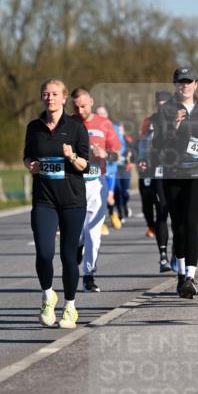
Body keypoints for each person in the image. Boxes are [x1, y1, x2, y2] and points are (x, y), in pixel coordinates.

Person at [24, 79, 89, 329]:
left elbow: (86, 164)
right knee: (44, 252)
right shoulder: (34, 127)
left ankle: (70, 306)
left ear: (64, 98)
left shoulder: (76, 127)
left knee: (68, 255)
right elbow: (28, 156)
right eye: (45, 94)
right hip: (44, 199)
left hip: (72, 199)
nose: (49, 98)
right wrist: (30, 164)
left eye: (54, 94)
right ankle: (48, 295)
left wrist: (71, 155)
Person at [151, 67, 198, 299]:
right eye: (180, 82)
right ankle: (181, 273)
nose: (184, 86)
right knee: (178, 225)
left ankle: (190, 277)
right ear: (174, 85)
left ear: (196, 84)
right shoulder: (166, 110)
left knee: (192, 222)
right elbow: (158, 144)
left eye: (188, 82)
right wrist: (174, 128)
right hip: (174, 174)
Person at [70, 88, 121, 292]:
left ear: (91, 101)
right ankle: (78, 249)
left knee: (93, 233)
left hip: (96, 182)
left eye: (84, 106)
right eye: (76, 107)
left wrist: (106, 154)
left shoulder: (104, 123)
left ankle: (89, 274)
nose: (80, 110)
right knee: (77, 233)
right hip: (73, 183)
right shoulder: (68, 123)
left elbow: (118, 154)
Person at [137, 91, 172, 272]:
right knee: (161, 211)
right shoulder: (149, 121)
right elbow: (142, 143)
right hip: (157, 170)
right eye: (159, 104)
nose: (162, 107)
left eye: (165, 103)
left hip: (177, 172)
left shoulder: (179, 119)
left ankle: (181, 253)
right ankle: (163, 256)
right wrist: (142, 160)